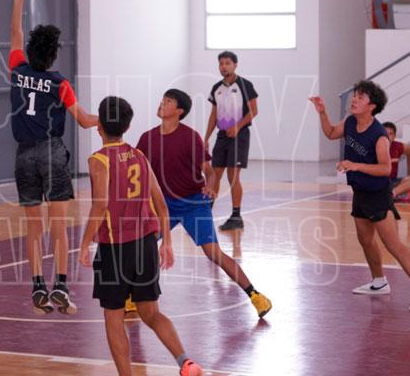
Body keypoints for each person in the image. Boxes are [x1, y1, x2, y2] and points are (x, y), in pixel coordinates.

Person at [78, 96, 203, 376]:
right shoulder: (139, 155)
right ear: (127, 126)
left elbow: (100, 205)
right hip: (145, 244)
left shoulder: (99, 160)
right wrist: (166, 242)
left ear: (99, 125)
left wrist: (85, 243)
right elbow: (161, 203)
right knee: (151, 313)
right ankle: (185, 362)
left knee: (114, 317)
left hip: (115, 248)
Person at [8, 0, 98, 315]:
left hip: (23, 156)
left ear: (30, 51)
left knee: (34, 228)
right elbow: (84, 121)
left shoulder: (17, 70)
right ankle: (60, 285)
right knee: (58, 226)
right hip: (51, 153)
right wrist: (109, 119)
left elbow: (15, 34)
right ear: (54, 56)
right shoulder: (60, 83)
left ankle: (37, 287)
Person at [137, 89, 272, 318]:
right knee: (142, 246)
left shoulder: (190, 137)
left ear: (179, 111)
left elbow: (209, 172)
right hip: (164, 205)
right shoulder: (147, 138)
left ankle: (255, 295)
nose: (162, 103)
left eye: (168, 101)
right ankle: (134, 297)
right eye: (162, 99)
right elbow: (139, 171)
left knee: (214, 253)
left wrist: (210, 186)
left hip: (193, 203)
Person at [310, 81, 410, 311]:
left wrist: (355, 165)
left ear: (372, 106)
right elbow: (330, 133)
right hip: (360, 191)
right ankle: (379, 282)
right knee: (365, 239)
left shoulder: (379, 135)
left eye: (361, 97)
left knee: (393, 245)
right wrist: (322, 113)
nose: (354, 99)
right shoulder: (350, 122)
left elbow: (385, 168)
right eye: (355, 95)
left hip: (377, 194)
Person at [204, 51, 258, 231]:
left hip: (239, 135)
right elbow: (213, 115)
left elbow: (253, 111)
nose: (224, 66)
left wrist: (237, 126)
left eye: (227, 63)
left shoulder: (244, 85)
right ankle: (205, 214)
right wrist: (206, 137)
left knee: (232, 176)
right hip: (222, 136)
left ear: (235, 65)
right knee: (214, 175)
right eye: (221, 63)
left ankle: (236, 216)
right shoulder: (216, 88)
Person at [383, 121, 410, 201]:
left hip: (393, 182)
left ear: (394, 136)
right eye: (385, 134)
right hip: (378, 183)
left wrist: (409, 172)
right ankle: (400, 194)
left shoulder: (398, 147)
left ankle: (391, 194)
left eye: (390, 134)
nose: (387, 136)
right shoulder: (374, 147)